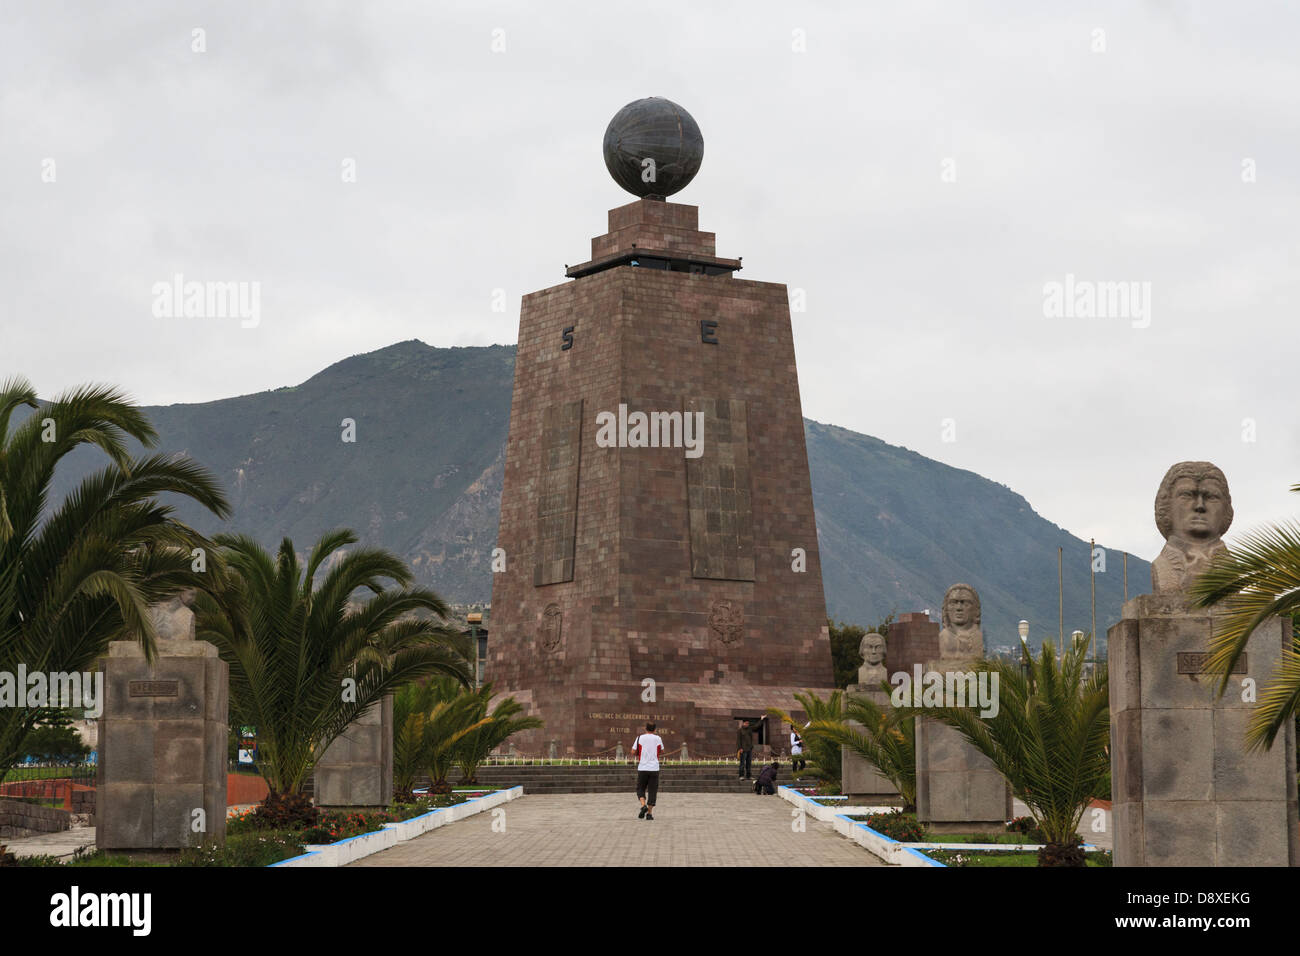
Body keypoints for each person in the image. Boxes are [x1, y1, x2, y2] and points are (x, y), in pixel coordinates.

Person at [632, 721, 663, 821]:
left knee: (640, 788)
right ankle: (649, 814)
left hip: (643, 767)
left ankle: (643, 805)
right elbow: (662, 750)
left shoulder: (640, 738)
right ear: (655, 729)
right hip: (654, 768)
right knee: (652, 791)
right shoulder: (658, 738)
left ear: (645, 728)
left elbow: (632, 751)